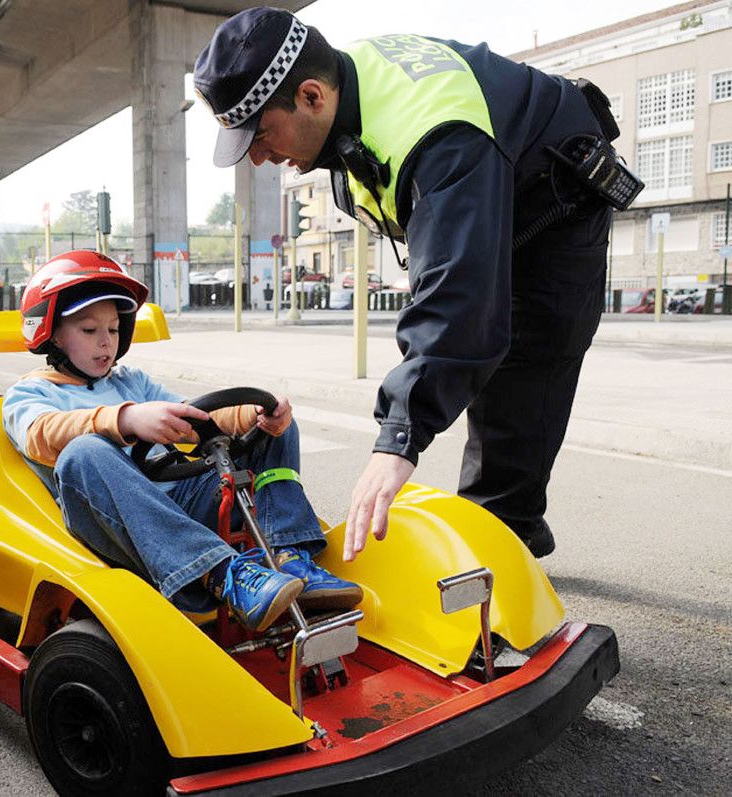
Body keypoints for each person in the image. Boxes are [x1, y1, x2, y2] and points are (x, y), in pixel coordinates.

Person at [195, 8, 626, 560]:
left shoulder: (437, 132)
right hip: (498, 184)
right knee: (476, 350)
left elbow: (459, 300)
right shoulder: (345, 90)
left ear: (310, 97)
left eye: (258, 136)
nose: (257, 158)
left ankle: (503, 537)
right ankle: (505, 528)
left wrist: (397, 439)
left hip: (555, 207)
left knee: (527, 364)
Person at [3, 251, 361, 632]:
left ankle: (288, 554)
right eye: (89, 331)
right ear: (53, 333)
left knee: (275, 427)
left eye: (113, 329)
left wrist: (252, 416)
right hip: (118, 524)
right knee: (83, 451)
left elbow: (193, 419)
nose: (105, 343)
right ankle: (223, 574)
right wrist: (127, 419)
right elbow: (41, 435)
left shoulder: (132, 381)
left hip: (183, 503)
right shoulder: (29, 394)